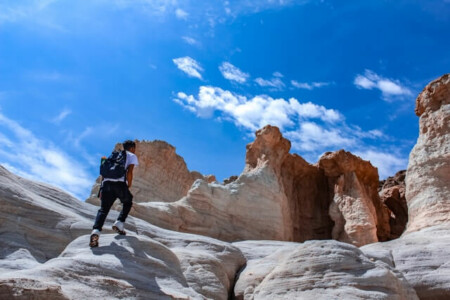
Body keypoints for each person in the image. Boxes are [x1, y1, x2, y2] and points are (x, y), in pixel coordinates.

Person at [89, 140, 139, 247]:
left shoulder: (114, 155)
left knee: (103, 210)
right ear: (132, 148)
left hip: (106, 184)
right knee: (128, 202)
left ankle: (96, 231)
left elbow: (105, 171)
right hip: (119, 184)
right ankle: (119, 223)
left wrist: (102, 188)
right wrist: (128, 185)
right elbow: (130, 171)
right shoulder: (131, 155)